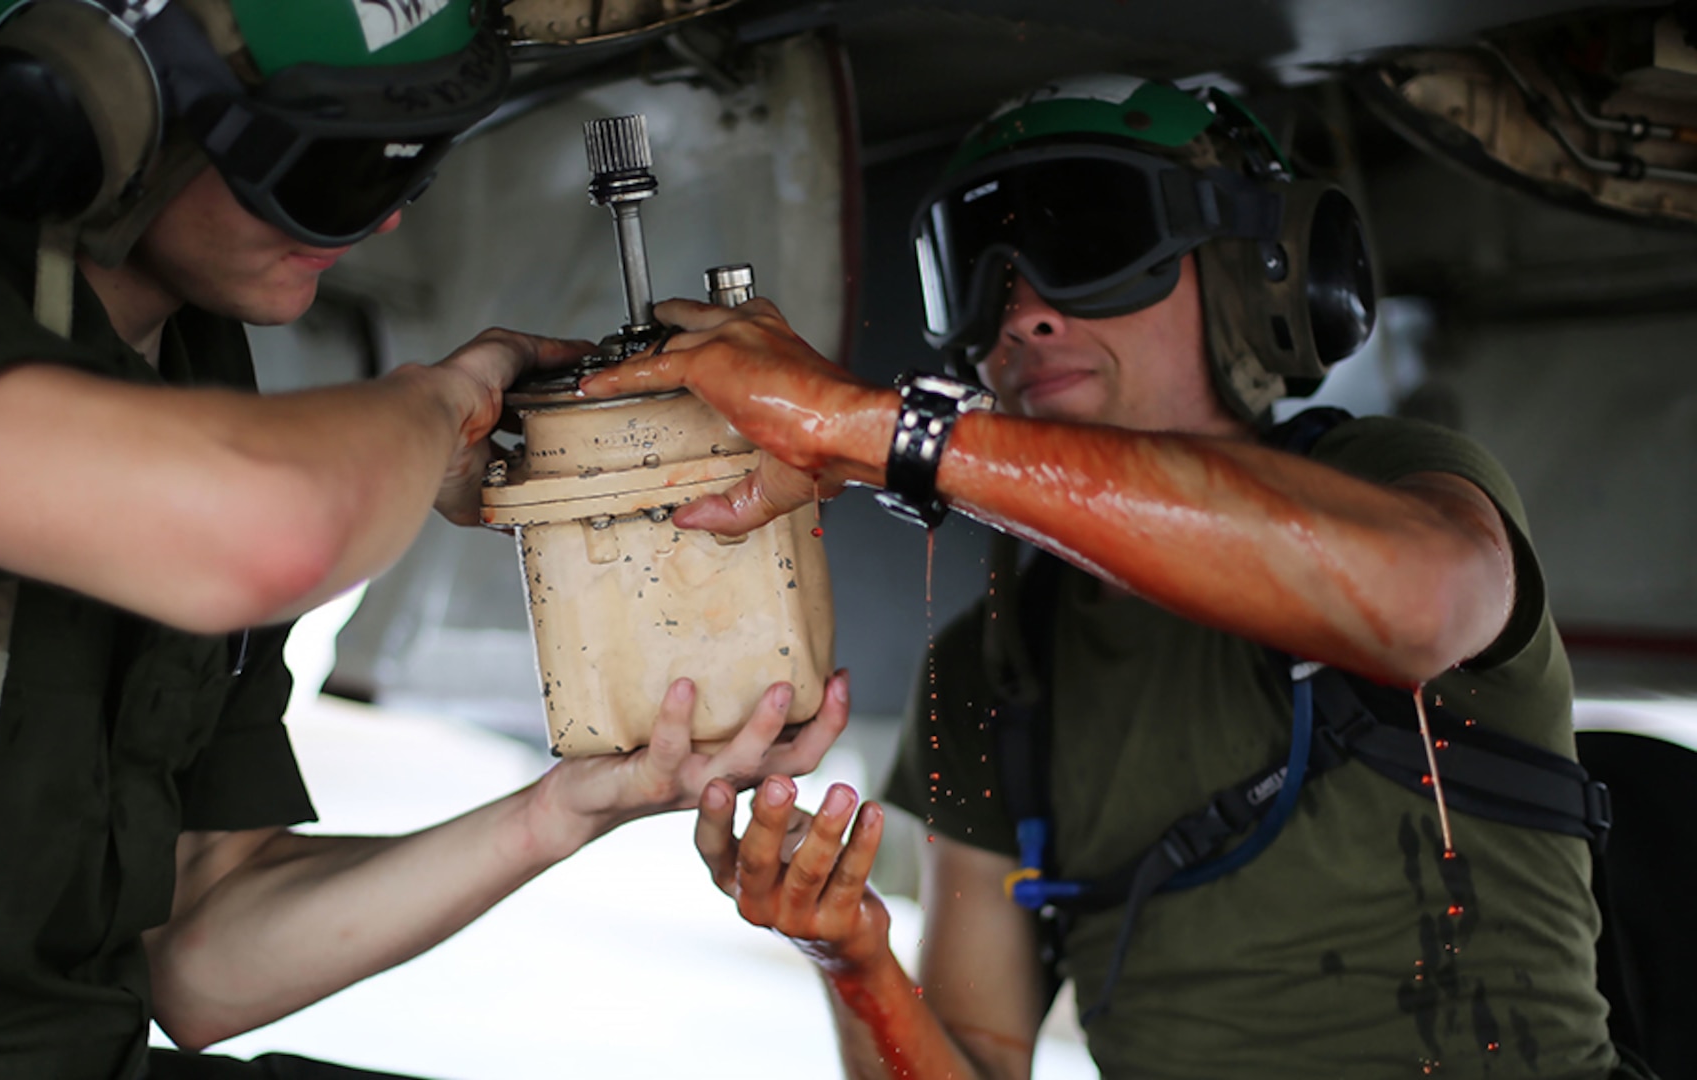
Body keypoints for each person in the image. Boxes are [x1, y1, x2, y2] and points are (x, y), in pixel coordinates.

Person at [0, 2, 847, 1078]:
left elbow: (200, 948)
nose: (378, 224)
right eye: (325, 162)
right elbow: (265, 531)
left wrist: (563, 812)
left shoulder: (199, 360)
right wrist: (433, 412)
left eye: (404, 169)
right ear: (108, 115)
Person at [581, 75, 1639, 1078]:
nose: (1027, 314)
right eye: (984, 274)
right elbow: (978, 1060)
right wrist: (854, 961)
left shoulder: (1395, 484)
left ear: (1254, 269)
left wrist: (879, 433)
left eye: (1089, 241)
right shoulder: (996, 664)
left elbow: (1420, 604)